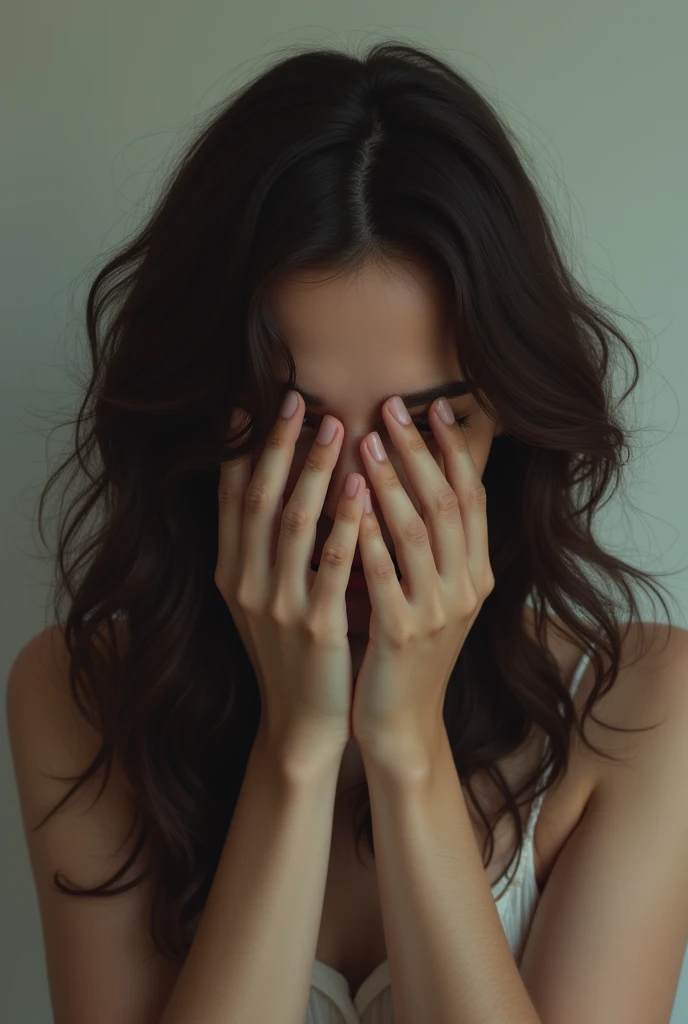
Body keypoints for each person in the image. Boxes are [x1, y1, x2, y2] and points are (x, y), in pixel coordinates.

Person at [6, 41, 688, 1024]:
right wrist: (295, 747)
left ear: (505, 419)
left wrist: (408, 752)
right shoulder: (78, 698)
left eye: (427, 424)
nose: (358, 502)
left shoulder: (639, 710)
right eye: (295, 425)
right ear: (203, 411)